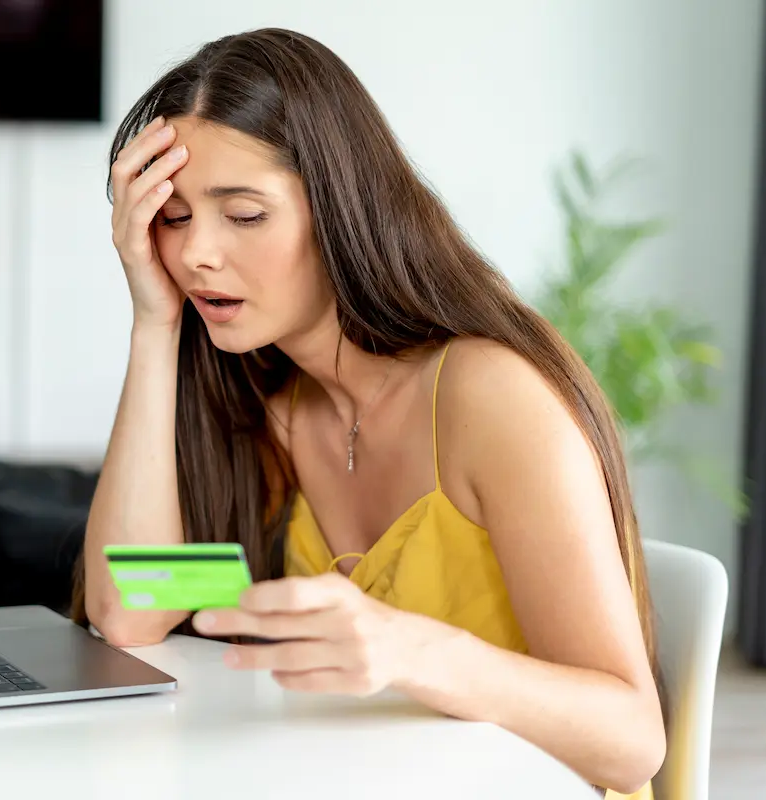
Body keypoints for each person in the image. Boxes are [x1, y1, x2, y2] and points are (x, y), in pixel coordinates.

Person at [70, 27, 666, 800]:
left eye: (243, 215)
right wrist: (153, 327)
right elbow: (133, 610)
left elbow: (631, 741)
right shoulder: (273, 411)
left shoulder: (489, 399)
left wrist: (410, 651)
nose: (194, 256)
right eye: (175, 218)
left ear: (341, 206)